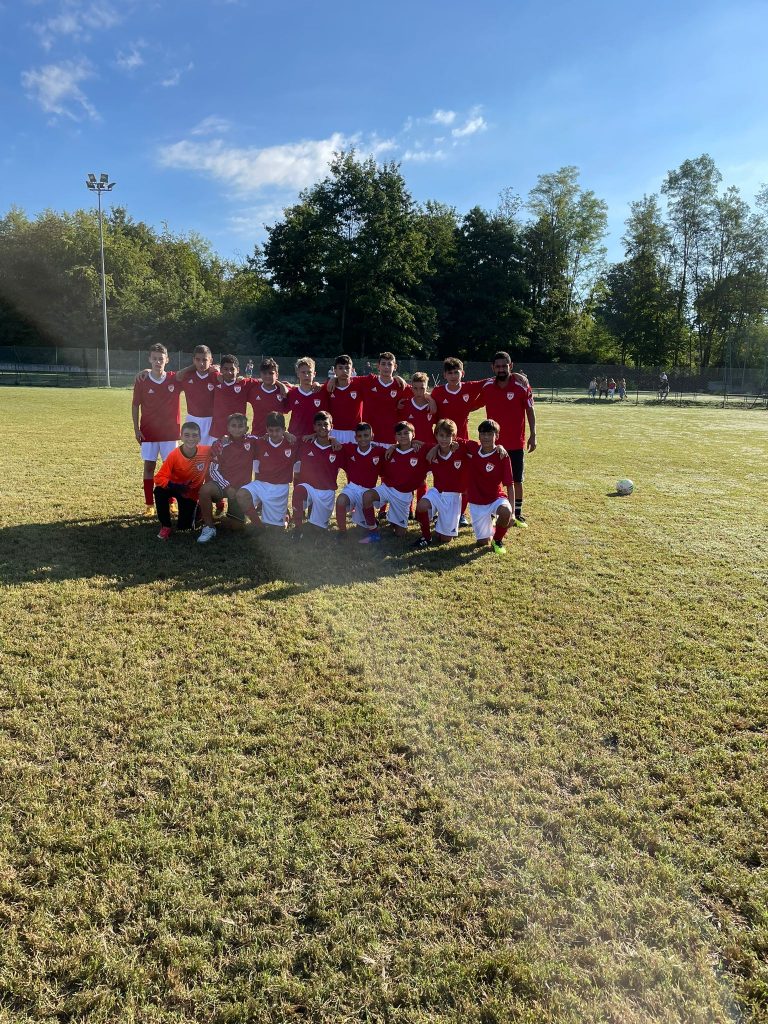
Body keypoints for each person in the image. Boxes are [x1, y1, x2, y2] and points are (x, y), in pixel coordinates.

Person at [477, 351, 536, 527]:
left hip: (515, 443)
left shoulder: (522, 386)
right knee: (490, 479)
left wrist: (533, 434)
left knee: (517, 480)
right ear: (492, 368)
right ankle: (491, 511)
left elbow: (530, 410)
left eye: (505, 366)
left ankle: (517, 513)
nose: (501, 369)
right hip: (492, 444)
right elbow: (469, 400)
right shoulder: (487, 386)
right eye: (498, 366)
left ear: (511, 366)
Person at [132, 343, 181, 515]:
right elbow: (135, 405)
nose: (158, 362)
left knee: (171, 469)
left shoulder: (174, 379)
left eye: (161, 358)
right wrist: (136, 429)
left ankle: (171, 502)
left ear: (167, 360)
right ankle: (149, 505)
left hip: (170, 433)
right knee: (149, 467)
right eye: (154, 359)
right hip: (149, 431)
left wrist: (213, 368)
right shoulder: (142, 380)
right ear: (149, 359)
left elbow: (193, 373)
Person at [359, 421, 428, 543]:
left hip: (403, 495)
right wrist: (393, 447)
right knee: (367, 496)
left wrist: (418, 443)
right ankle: (373, 532)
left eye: (406, 433)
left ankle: (393, 518)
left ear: (413, 434)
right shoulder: (389, 452)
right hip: (387, 488)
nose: (403, 436)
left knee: (400, 534)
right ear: (395, 437)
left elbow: (437, 447)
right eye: (399, 434)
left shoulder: (420, 451)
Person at [197, 413, 258, 544]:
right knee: (205, 490)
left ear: (246, 428)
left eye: (240, 426)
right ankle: (209, 526)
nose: (237, 429)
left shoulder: (253, 441)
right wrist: (227, 486)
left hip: (240, 490)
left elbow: (269, 439)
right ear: (228, 428)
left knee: (237, 527)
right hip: (222, 486)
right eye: (233, 426)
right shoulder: (219, 444)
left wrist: (286, 434)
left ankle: (223, 520)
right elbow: (213, 470)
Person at [413, 419, 469, 549]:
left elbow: (480, 447)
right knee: (421, 506)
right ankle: (426, 537)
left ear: (454, 436)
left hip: (453, 496)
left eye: (448, 436)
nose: (444, 439)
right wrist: (393, 446)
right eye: (441, 435)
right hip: (437, 491)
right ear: (436, 435)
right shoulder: (432, 449)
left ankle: (441, 523)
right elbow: (412, 443)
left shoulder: (460, 449)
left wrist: (499, 447)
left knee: (445, 539)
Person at [237, 412, 295, 530]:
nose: (274, 434)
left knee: (277, 530)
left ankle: (286, 516)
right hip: (261, 484)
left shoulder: (292, 443)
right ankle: (258, 526)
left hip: (279, 488)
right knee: (241, 494)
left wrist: (332, 439)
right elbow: (242, 436)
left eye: (278, 430)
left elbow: (314, 439)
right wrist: (224, 438)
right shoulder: (259, 442)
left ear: (284, 429)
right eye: (271, 430)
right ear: (266, 429)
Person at [153, 421, 211, 540]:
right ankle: (166, 526)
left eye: (194, 435)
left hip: (190, 494)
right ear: (181, 437)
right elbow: (158, 477)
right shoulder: (174, 455)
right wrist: (174, 485)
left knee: (184, 528)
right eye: (187, 435)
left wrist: (223, 440)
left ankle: (198, 509)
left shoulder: (206, 451)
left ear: (200, 438)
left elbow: (221, 447)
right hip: (174, 488)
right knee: (159, 491)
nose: (191, 438)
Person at [464, 419, 514, 554]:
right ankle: (490, 528)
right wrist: (434, 448)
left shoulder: (502, 456)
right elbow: (451, 439)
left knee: (505, 512)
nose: (486, 437)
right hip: (477, 501)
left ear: (496, 436)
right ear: (479, 435)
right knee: (482, 542)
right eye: (483, 434)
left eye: (490, 434)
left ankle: (497, 540)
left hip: (495, 498)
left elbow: (509, 485)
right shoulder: (473, 448)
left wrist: (513, 513)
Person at [291, 411, 341, 540]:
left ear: (331, 426)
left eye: (325, 424)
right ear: (314, 427)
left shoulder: (338, 448)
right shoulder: (305, 443)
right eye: (319, 424)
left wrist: (333, 439)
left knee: (317, 530)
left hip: (326, 492)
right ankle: (297, 529)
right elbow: (289, 438)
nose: (322, 427)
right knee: (298, 490)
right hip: (309, 488)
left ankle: (316, 516)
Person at [335, 422, 382, 537]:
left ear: (372, 436)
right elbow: (331, 442)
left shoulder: (379, 451)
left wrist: (395, 446)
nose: (363, 439)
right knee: (340, 500)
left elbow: (397, 449)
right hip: (352, 487)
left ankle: (373, 530)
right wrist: (332, 439)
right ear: (355, 438)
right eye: (359, 436)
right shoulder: (350, 448)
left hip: (367, 491)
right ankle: (342, 532)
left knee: (362, 528)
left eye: (366, 435)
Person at [176, 345, 217, 443]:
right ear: (193, 360)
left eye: (205, 360)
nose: (201, 363)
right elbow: (177, 376)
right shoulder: (187, 376)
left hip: (211, 421)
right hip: (192, 419)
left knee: (209, 451)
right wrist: (147, 371)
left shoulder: (216, 376)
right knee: (192, 450)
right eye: (198, 360)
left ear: (211, 360)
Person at [322, 355, 364, 444]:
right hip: (333, 432)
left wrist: (395, 377)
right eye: (340, 368)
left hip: (354, 433)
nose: (344, 371)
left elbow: (378, 379)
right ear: (335, 370)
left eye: (347, 368)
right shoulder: (328, 386)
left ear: (352, 370)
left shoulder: (359, 384)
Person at [209, 355, 252, 442]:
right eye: (225, 369)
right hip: (217, 433)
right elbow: (205, 365)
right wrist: (216, 369)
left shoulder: (244, 383)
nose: (229, 372)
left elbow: (264, 381)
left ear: (238, 370)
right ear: (221, 370)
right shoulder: (215, 378)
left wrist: (279, 384)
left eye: (232, 369)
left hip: (237, 435)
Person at [285, 357, 329, 439]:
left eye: (309, 372)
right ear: (298, 374)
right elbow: (280, 412)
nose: (306, 375)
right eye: (303, 372)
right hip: (295, 439)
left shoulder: (322, 392)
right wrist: (285, 432)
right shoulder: (291, 393)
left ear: (314, 374)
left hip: (315, 439)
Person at [248, 358, 289, 437]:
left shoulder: (284, 390)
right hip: (258, 436)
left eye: (271, 373)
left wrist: (315, 384)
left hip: (277, 437)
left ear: (277, 375)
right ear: (261, 374)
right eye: (264, 373)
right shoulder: (253, 389)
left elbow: (302, 390)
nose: (267, 376)